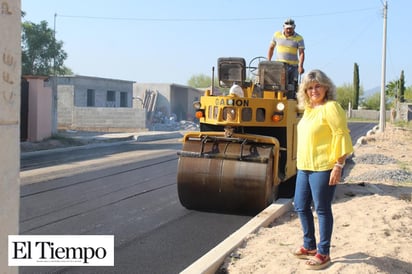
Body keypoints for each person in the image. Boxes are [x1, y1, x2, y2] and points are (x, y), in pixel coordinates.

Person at [292, 70, 354, 270]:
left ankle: (324, 252)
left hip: (324, 167)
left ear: (326, 87)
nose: (313, 91)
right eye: (309, 88)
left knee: (322, 209)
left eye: (317, 86)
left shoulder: (331, 107)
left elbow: (341, 135)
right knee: (300, 206)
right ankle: (309, 245)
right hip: (304, 167)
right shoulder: (309, 110)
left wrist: (338, 165)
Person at [267, 18, 305, 87]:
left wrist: (300, 66)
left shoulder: (299, 38)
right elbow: (271, 48)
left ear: (294, 27)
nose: (288, 30)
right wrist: (268, 61)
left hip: (293, 67)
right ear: (283, 27)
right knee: (278, 86)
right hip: (280, 66)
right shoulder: (277, 35)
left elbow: (301, 53)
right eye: (287, 28)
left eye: (290, 28)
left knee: (292, 86)